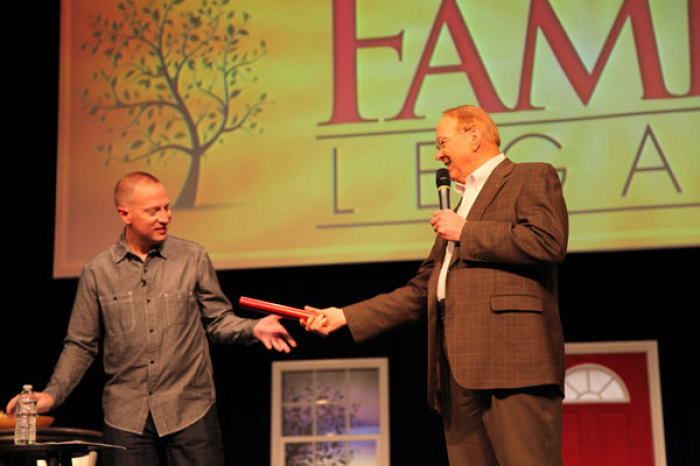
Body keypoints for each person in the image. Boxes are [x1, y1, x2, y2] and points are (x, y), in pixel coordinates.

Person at [303, 105, 568, 465]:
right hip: (456, 373)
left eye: (442, 142)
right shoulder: (460, 206)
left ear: (474, 136)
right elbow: (422, 291)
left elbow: (547, 242)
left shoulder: (530, 176)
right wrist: (345, 316)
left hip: (513, 364)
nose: (438, 153)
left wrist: (466, 232)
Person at [6, 172, 297, 466]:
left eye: (167, 207)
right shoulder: (98, 271)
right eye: (153, 211)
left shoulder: (192, 257)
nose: (165, 217)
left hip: (190, 410)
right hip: (126, 418)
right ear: (125, 214)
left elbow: (218, 321)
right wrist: (53, 395)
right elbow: (81, 344)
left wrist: (254, 327)